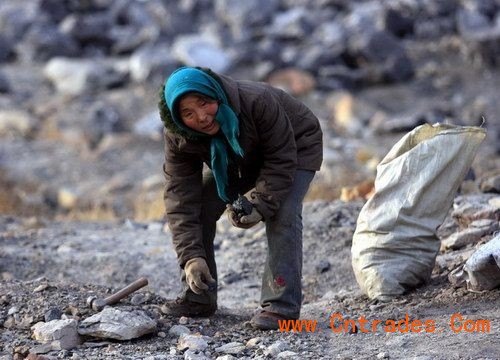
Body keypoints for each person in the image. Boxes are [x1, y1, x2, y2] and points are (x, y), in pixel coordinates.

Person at [159, 66, 323, 330]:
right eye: (188, 113)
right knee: (199, 206)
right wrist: (191, 257)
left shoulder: (257, 101)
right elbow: (180, 197)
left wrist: (259, 203)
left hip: (295, 146)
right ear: (177, 119)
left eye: (204, 103)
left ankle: (281, 309)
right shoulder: (179, 135)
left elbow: (280, 159)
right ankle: (198, 295)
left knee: (282, 213)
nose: (201, 117)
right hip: (239, 158)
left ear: (214, 93)